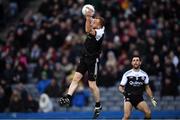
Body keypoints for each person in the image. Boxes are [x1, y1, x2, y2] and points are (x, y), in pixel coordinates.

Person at [58, 7, 105, 119]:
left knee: (92, 85)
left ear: (100, 25)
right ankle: (68, 97)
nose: (94, 21)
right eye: (94, 20)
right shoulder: (94, 26)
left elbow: (88, 30)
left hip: (93, 61)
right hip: (84, 57)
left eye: (96, 21)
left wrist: (88, 17)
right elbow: (86, 29)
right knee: (75, 78)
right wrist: (88, 17)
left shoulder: (100, 32)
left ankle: (98, 105)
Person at [119, 55, 157, 120]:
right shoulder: (127, 74)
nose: (135, 62)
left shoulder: (144, 74)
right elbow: (120, 87)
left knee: (148, 113)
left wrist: (152, 98)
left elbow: (147, 87)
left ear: (140, 62)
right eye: (134, 60)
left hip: (139, 98)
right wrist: (124, 92)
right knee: (127, 116)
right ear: (131, 63)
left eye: (137, 60)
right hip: (129, 97)